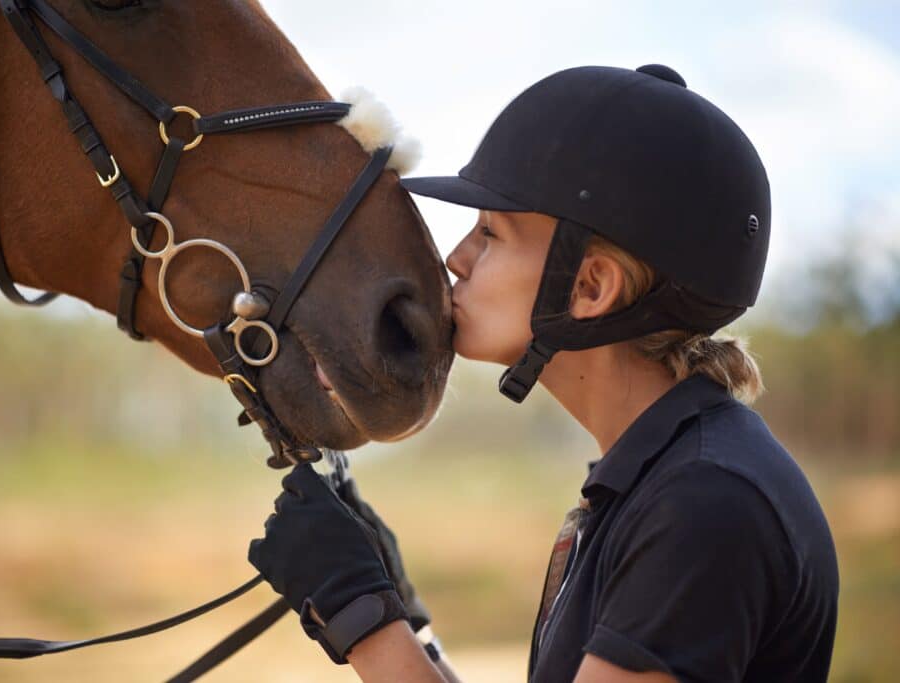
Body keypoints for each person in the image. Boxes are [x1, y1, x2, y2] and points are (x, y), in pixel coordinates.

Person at [248, 64, 839, 682]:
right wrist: (403, 616)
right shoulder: (666, 479)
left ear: (589, 287)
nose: (456, 258)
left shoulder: (705, 503)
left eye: (491, 233)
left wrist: (363, 620)